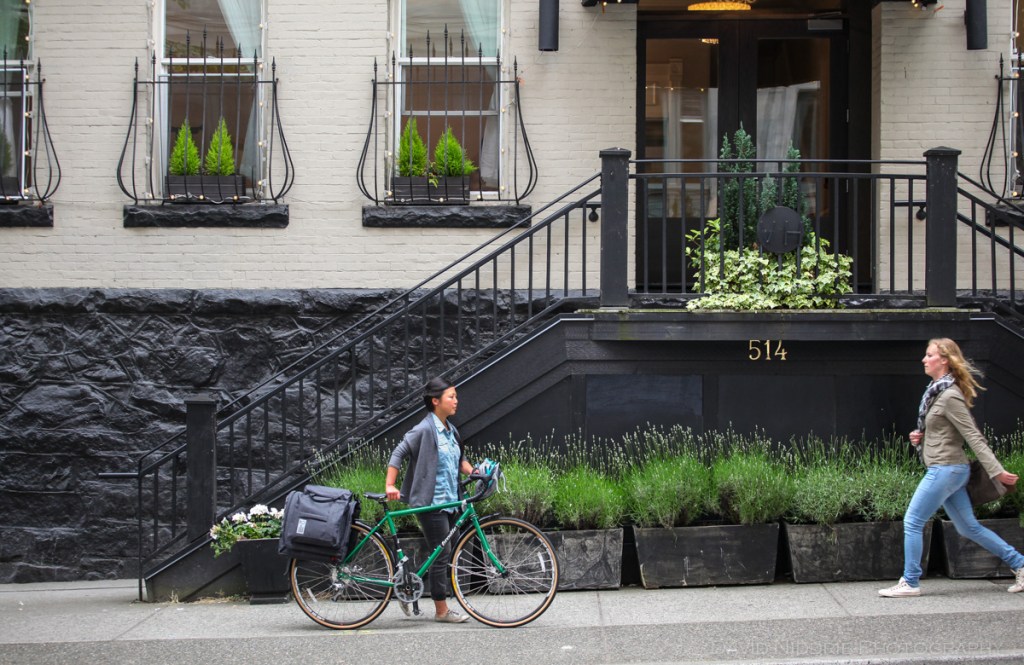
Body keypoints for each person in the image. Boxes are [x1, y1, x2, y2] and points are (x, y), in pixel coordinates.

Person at [879, 338, 1024, 597]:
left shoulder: (949, 395)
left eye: (929, 355)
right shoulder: (936, 391)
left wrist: (997, 471)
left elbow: (973, 436)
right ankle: (1021, 565)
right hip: (949, 469)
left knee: (912, 521)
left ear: (944, 359)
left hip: (946, 470)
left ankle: (910, 581)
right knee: (968, 527)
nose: (924, 359)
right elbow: (943, 431)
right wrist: (921, 437)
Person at [385, 377, 476, 623]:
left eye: (456, 396)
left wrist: (475, 472)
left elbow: (460, 460)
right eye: (451, 397)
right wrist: (390, 484)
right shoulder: (425, 429)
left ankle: (406, 588)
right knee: (442, 552)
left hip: (450, 502)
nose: (456, 401)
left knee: (444, 552)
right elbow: (399, 452)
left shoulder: (451, 429)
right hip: (432, 503)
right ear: (435, 401)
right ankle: (441, 611)